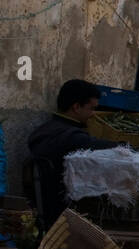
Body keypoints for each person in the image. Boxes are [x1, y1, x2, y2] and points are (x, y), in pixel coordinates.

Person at [26, 79, 120, 226]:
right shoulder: (71, 138)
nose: (93, 114)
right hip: (62, 211)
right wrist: (125, 146)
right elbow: (95, 145)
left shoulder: (45, 130)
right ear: (76, 107)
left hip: (45, 207)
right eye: (91, 108)